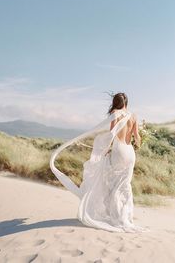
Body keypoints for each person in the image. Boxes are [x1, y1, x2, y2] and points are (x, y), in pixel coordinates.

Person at [50, 92, 149, 232]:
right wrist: (138, 143)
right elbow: (137, 138)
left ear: (116, 102)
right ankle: (125, 217)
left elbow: (111, 135)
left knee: (113, 183)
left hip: (119, 150)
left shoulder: (115, 113)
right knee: (125, 184)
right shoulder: (133, 116)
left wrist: (103, 151)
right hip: (130, 152)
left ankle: (116, 216)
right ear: (126, 102)